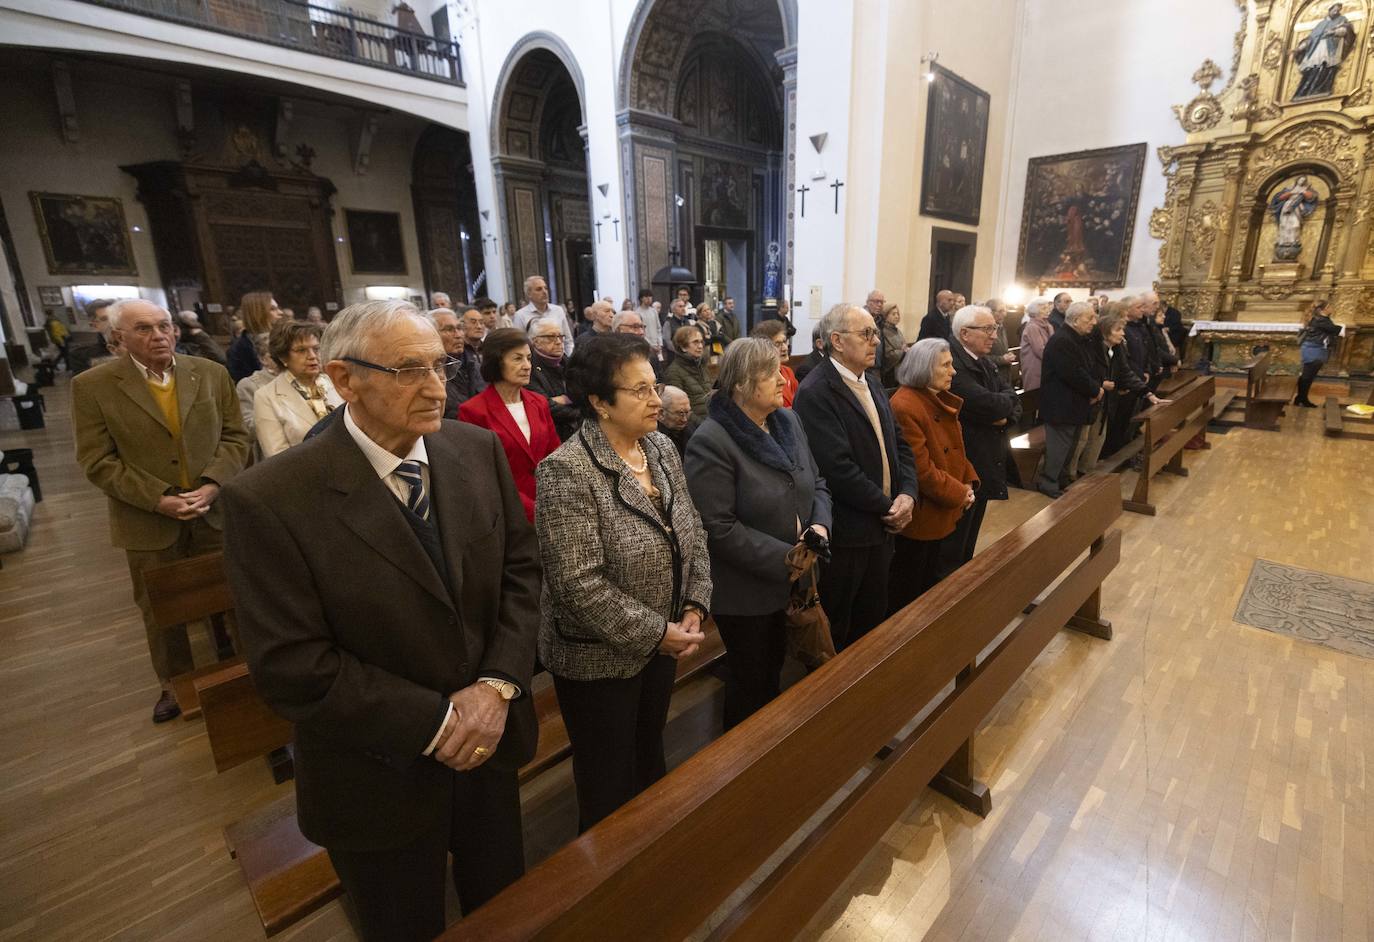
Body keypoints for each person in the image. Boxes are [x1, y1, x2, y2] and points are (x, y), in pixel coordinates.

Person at [221, 300, 540, 942]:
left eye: (440, 366)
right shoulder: (272, 499)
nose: (433, 386)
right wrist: (444, 720)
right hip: (378, 777)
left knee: (505, 915)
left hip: (489, 750)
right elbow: (293, 668)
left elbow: (520, 574)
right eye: (407, 370)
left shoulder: (471, 451)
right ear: (344, 380)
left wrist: (498, 685)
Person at [534, 333, 711, 831]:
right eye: (640, 391)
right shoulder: (566, 472)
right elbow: (576, 583)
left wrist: (694, 602)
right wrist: (659, 633)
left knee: (649, 753)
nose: (657, 400)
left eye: (655, 387)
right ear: (599, 402)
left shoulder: (659, 448)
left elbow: (691, 529)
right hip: (597, 658)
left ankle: (652, 851)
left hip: (662, 644)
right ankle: (608, 882)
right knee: (608, 779)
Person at [72, 299, 250, 722]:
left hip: (212, 509)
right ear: (119, 338)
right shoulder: (93, 386)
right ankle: (174, 683)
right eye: (144, 329)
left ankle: (247, 671)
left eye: (164, 326)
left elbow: (235, 437)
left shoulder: (209, 373)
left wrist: (211, 484)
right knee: (162, 608)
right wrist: (158, 498)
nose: (158, 336)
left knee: (235, 595)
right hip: (148, 517)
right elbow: (98, 461)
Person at [685, 338, 831, 728]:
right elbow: (717, 526)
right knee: (753, 684)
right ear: (742, 385)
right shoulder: (712, 440)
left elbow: (816, 481)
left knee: (778, 673)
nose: (783, 380)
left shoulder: (788, 421)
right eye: (771, 374)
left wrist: (819, 526)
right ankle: (742, 769)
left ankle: (775, 748)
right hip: (746, 593)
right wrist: (786, 559)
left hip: (799, 576)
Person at [793, 303, 917, 650]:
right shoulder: (817, 392)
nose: (875, 340)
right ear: (836, 340)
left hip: (881, 525)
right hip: (849, 532)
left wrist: (908, 494)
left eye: (874, 333)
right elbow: (837, 469)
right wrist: (890, 506)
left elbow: (900, 444)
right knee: (841, 626)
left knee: (873, 619)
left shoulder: (873, 383)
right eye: (866, 334)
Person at [888, 338, 978, 611]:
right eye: (946, 365)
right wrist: (959, 492)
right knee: (913, 593)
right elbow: (921, 470)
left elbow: (955, 451)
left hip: (944, 503)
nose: (953, 372)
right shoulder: (905, 405)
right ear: (925, 368)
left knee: (934, 587)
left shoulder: (933, 398)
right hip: (925, 514)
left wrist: (969, 481)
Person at [458, 328, 561, 522]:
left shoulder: (539, 402)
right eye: (517, 359)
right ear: (497, 362)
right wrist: (534, 510)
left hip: (552, 506)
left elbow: (555, 455)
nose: (527, 366)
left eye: (529, 358)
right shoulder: (473, 411)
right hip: (508, 515)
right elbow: (484, 476)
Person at [946, 305, 1021, 569]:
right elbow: (987, 403)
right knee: (955, 536)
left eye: (995, 328)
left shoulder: (984, 361)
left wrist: (1005, 414)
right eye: (988, 329)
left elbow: (1011, 397)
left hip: (985, 455)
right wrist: (1002, 409)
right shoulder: (954, 364)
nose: (994, 335)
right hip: (967, 457)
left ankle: (963, 576)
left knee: (971, 529)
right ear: (965, 333)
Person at [1036, 302, 1105, 498]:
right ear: (1075, 320)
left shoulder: (1078, 338)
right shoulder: (1063, 341)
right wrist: (1095, 390)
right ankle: (1049, 482)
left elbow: (1088, 368)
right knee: (1059, 447)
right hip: (1061, 405)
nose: (1094, 322)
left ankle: (1061, 480)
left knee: (1069, 446)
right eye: (1089, 318)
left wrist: (1095, 389)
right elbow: (1074, 373)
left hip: (1073, 404)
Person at [253, 319, 341, 458]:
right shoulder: (266, 396)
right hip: (303, 474)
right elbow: (277, 457)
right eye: (301, 350)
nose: (312, 356)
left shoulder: (337, 382)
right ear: (283, 357)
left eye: (316, 349)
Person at [528, 315, 581, 440]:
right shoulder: (529, 367)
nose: (558, 342)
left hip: (577, 431)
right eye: (550, 337)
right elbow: (545, 407)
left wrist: (561, 399)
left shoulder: (569, 362)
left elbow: (584, 394)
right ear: (535, 341)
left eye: (560, 337)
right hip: (551, 435)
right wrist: (579, 411)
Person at [432, 308, 484, 414]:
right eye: (449, 329)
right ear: (431, 334)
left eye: (459, 328)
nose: (458, 335)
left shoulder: (473, 365)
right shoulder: (430, 373)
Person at [1294, 299, 1342, 407]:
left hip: (1313, 348)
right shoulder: (1321, 320)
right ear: (1322, 309)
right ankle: (1302, 399)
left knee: (1307, 375)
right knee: (1308, 376)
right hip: (1314, 349)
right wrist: (1338, 328)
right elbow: (1335, 329)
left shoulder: (1319, 318)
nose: (1331, 308)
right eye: (1329, 306)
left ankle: (1300, 398)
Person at [226, 292, 282, 382]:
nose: (280, 312)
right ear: (258, 313)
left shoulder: (284, 339)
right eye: (273, 309)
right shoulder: (239, 350)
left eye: (278, 308)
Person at [513, 275, 574, 356]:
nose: (544, 292)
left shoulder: (558, 310)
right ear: (529, 294)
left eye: (546, 288)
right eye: (539, 289)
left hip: (559, 361)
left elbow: (568, 340)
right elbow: (519, 345)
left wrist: (569, 360)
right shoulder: (520, 315)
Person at [662, 325, 711, 422]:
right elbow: (679, 409)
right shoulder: (674, 372)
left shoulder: (701, 366)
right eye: (695, 342)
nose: (700, 346)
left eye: (701, 342)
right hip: (695, 427)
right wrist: (702, 426)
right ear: (683, 347)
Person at [236, 332, 277, 437]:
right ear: (263, 359)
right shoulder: (248, 385)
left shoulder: (298, 378)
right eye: (274, 355)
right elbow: (247, 426)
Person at [752, 319, 798, 406]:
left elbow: (799, 402)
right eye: (777, 344)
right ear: (764, 348)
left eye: (784, 342)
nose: (784, 348)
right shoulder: (762, 378)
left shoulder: (788, 372)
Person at [68, 298, 116, 374]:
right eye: (105, 319)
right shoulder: (82, 356)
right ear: (94, 325)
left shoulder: (137, 346)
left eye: (116, 317)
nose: (112, 322)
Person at [1019, 298, 1054, 393]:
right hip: (1035, 367)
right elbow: (1041, 351)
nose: (1048, 310)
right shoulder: (1032, 327)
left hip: (1047, 366)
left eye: (1047, 308)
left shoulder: (1048, 326)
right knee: (1035, 397)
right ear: (1035, 312)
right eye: (1044, 308)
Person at [982, 299, 1018, 387]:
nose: (1005, 314)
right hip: (989, 376)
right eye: (1001, 311)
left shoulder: (1001, 328)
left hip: (1003, 375)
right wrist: (1002, 359)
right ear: (990, 312)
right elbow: (980, 357)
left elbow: (1001, 349)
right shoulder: (983, 329)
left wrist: (1008, 355)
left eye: (1005, 310)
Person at [656, 385, 695, 456]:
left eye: (687, 412)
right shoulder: (653, 440)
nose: (684, 419)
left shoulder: (691, 431)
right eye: (680, 413)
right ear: (661, 413)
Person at [878, 302, 907, 389]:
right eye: (893, 314)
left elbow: (904, 346)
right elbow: (887, 354)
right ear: (885, 315)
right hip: (889, 373)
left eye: (898, 314)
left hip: (900, 369)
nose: (897, 316)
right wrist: (903, 352)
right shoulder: (882, 332)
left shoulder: (897, 331)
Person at [634, 288, 663, 357]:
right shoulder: (637, 313)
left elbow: (658, 328)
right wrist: (650, 345)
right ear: (641, 298)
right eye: (646, 297)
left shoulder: (654, 311)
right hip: (645, 344)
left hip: (657, 345)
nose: (649, 298)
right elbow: (640, 331)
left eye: (650, 296)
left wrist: (660, 343)